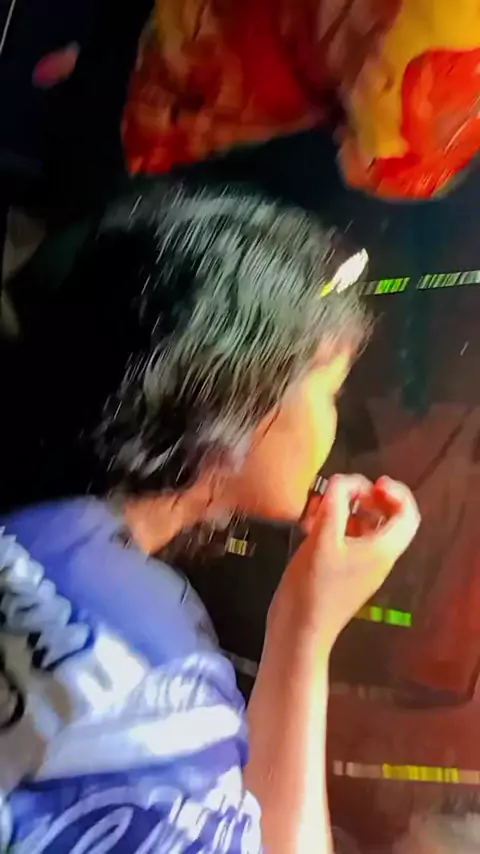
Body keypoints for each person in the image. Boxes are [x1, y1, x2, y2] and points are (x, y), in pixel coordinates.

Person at [0, 180, 420, 853]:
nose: (335, 426)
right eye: (332, 392)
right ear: (239, 389)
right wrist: (307, 631)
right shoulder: (144, 681)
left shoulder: (35, 540)